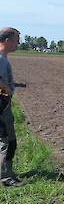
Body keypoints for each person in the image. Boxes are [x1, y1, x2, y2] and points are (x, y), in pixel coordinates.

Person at [0, 27, 23, 186]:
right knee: (7, 140)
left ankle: (7, 172)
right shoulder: (1, 58)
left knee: (7, 139)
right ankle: (5, 177)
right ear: (7, 41)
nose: (18, 43)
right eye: (16, 40)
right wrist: (7, 89)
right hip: (1, 103)